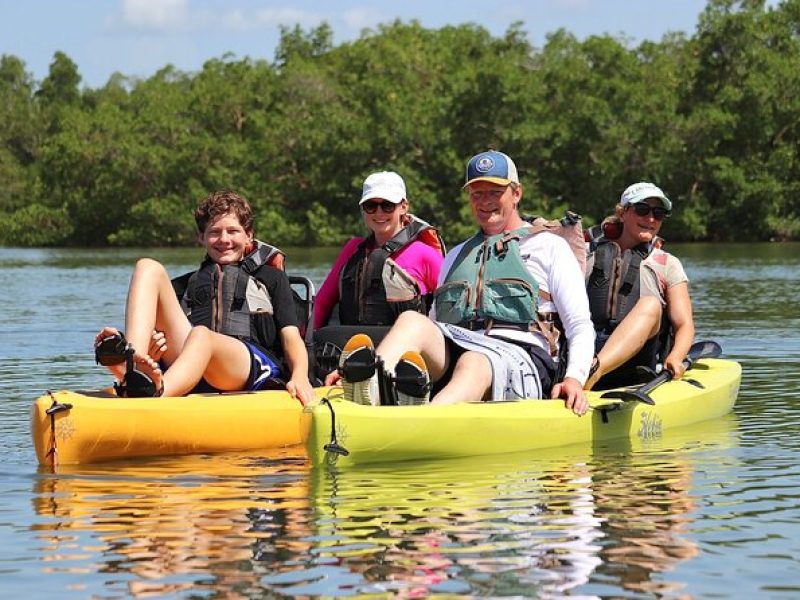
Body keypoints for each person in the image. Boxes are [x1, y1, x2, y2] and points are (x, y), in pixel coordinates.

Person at [327, 150, 594, 415]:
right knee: (412, 320)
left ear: (516, 194)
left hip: (521, 357)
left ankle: (422, 422)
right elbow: (434, 325)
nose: (484, 201)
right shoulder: (456, 255)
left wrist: (574, 379)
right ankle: (364, 387)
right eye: (477, 194)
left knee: (474, 361)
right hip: (461, 343)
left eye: (494, 192)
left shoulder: (549, 247)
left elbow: (579, 324)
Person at [93, 190, 316, 404]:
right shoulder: (183, 285)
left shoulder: (272, 279)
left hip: (247, 366)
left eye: (233, 231)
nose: (224, 239)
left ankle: (154, 395)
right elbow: (168, 339)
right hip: (191, 366)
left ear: (248, 235)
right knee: (147, 266)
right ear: (201, 237)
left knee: (202, 336)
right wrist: (154, 348)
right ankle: (134, 367)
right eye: (214, 232)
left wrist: (299, 376)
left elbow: (291, 337)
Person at [583, 182, 694, 390]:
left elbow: (684, 324)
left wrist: (676, 356)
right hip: (582, 353)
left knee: (651, 304)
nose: (651, 219)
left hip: (635, 364)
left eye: (658, 213)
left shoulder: (667, 263)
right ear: (622, 212)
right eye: (642, 210)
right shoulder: (585, 255)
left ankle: (594, 371)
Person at [313, 170, 444, 329]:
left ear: (403, 207)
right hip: (350, 345)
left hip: (407, 350)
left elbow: (450, 308)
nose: (379, 213)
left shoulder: (424, 254)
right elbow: (322, 303)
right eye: (371, 206)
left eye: (387, 205)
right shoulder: (352, 249)